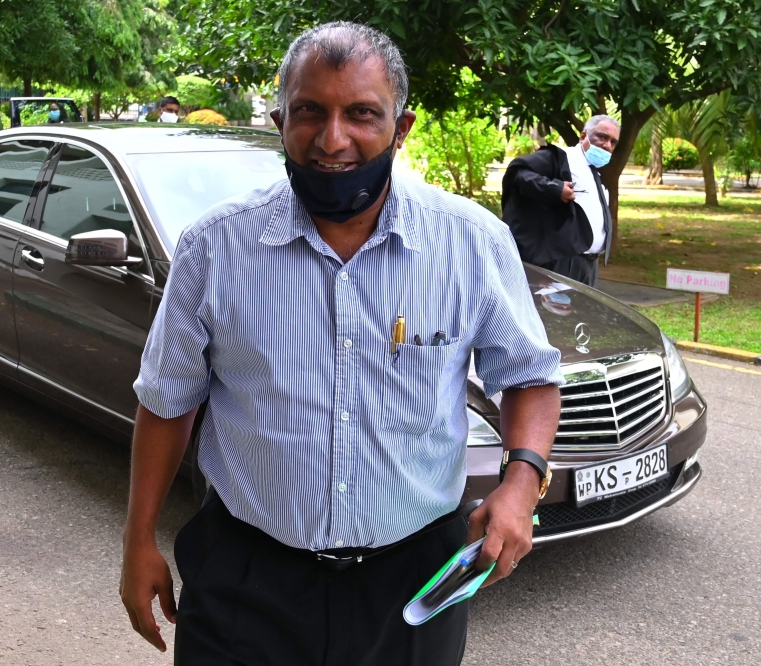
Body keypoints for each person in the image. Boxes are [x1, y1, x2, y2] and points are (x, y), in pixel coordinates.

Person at [119, 21, 563, 665]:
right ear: (279, 121)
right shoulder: (214, 248)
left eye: (361, 114)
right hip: (247, 576)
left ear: (401, 128)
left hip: (413, 585)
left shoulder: (471, 243)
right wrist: (138, 541)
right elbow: (167, 400)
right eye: (309, 112)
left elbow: (526, 376)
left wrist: (521, 485)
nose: (333, 140)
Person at [501, 115, 619, 286]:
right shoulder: (561, 157)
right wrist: (555, 189)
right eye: (602, 137)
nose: (607, 145)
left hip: (589, 265)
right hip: (563, 263)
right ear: (583, 136)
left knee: (582, 313)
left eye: (613, 142)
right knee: (556, 312)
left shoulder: (595, 172)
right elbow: (518, 175)